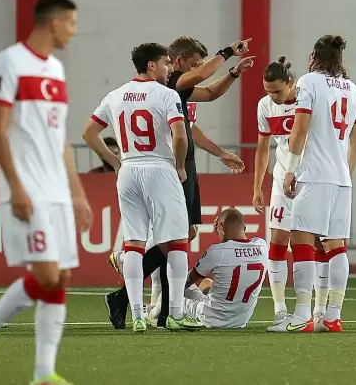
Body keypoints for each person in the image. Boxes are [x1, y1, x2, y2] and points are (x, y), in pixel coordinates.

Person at [0, 0, 92, 385]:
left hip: (57, 187)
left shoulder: (55, 68)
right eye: (71, 22)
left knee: (62, 278)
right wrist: (15, 186)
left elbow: (59, 139)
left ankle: (43, 373)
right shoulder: (9, 62)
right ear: (53, 22)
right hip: (28, 187)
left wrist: (78, 193)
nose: (74, 29)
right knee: (48, 273)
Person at [102, 35, 252, 329]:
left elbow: (207, 97)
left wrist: (233, 75)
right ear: (178, 61)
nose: (197, 67)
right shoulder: (171, 85)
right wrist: (228, 54)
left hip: (183, 166)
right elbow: (205, 75)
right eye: (193, 63)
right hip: (169, 168)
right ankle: (158, 307)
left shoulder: (177, 92)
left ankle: (150, 302)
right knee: (178, 236)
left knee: (184, 233)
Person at [83, 42, 199, 332]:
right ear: (151, 65)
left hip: (129, 169)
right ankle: (174, 313)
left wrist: (115, 162)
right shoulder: (166, 94)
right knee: (177, 241)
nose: (169, 68)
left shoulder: (115, 95)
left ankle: (136, 314)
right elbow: (181, 137)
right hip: (159, 167)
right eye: (165, 63)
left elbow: (89, 132)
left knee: (133, 243)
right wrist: (181, 167)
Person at [269, 35, 356, 333]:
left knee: (301, 242)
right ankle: (332, 316)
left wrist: (290, 170)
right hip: (341, 179)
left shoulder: (309, 82)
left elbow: (300, 128)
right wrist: (344, 175)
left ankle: (301, 316)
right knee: (336, 246)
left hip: (314, 175)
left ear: (315, 56)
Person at [252, 57, 330, 325]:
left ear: (291, 83)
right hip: (281, 184)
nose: (272, 96)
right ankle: (280, 310)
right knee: (277, 241)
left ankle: (318, 309)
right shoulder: (265, 106)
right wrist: (257, 187)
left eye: (277, 91)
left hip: (311, 180)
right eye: (267, 91)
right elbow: (263, 148)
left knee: (318, 243)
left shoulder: (307, 101)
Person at [183, 208, 268, 328]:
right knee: (206, 282)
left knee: (172, 287)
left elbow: (187, 281)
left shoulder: (217, 251)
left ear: (222, 226)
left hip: (208, 317)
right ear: (244, 227)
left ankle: (150, 310)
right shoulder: (262, 246)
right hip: (240, 321)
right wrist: (222, 227)